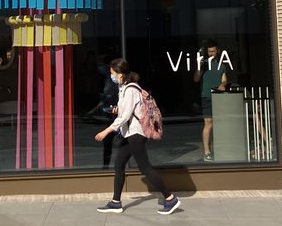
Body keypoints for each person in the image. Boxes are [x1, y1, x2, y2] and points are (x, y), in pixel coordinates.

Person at [94, 58, 181, 215]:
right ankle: (115, 202)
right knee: (119, 164)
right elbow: (125, 111)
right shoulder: (123, 88)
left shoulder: (131, 90)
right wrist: (115, 110)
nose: (111, 76)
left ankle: (170, 198)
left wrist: (106, 131)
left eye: (113, 73)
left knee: (144, 167)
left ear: (120, 74)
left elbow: (125, 117)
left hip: (136, 133)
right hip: (129, 133)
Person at [193, 40, 228, 161]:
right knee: (208, 123)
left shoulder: (221, 66)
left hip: (219, 96)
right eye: (209, 51)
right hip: (206, 96)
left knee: (220, 123)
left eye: (213, 51)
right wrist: (199, 67)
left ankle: (221, 149)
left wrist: (223, 84)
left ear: (218, 51)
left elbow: (224, 79)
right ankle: (207, 151)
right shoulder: (204, 64)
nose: (211, 53)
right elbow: (196, 79)